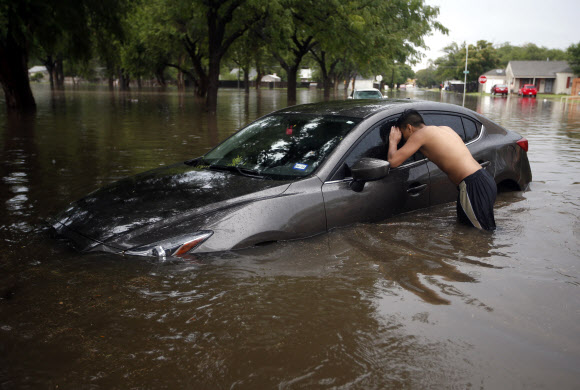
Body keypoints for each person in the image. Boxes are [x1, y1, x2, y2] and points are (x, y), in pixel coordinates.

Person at [387, 109, 496, 230]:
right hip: (482, 179)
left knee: (480, 236)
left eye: (403, 135)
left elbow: (393, 161)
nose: (404, 140)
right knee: (468, 230)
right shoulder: (445, 129)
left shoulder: (421, 134)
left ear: (409, 127)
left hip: (473, 185)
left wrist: (393, 141)